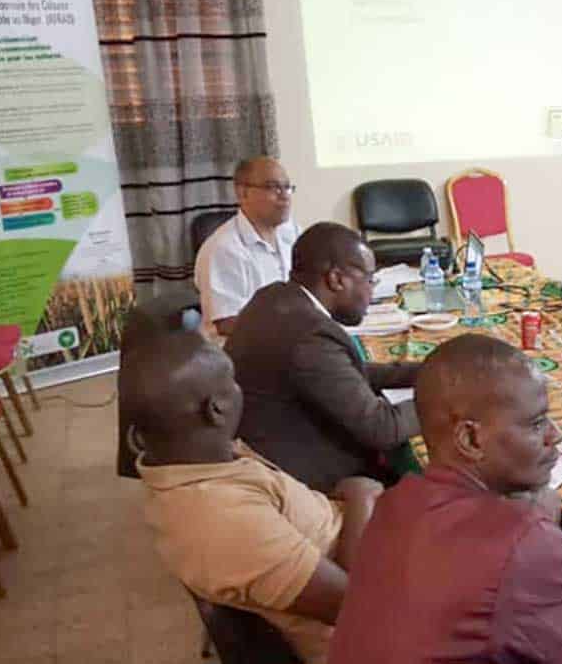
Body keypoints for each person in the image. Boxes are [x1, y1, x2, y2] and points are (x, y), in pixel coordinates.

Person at [329, 334, 562, 663]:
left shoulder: (394, 505)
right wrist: (545, 536)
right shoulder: (524, 541)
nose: (556, 435)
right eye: (537, 424)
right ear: (470, 438)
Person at [124, 331, 381, 663]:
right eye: (233, 382)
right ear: (216, 409)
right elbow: (357, 610)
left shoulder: (202, 456)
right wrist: (363, 499)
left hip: (367, 544)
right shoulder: (220, 519)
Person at [225, 222, 420, 493]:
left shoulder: (273, 297)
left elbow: (343, 372)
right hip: (308, 479)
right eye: (369, 279)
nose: (371, 291)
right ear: (336, 279)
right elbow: (382, 427)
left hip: (267, 447)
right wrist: (449, 393)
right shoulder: (311, 335)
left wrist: (424, 372)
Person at [195, 156, 300, 339]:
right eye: (272, 187)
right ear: (243, 193)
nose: (284, 196)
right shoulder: (222, 249)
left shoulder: (292, 232)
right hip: (244, 352)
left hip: (289, 341)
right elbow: (227, 323)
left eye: (287, 187)